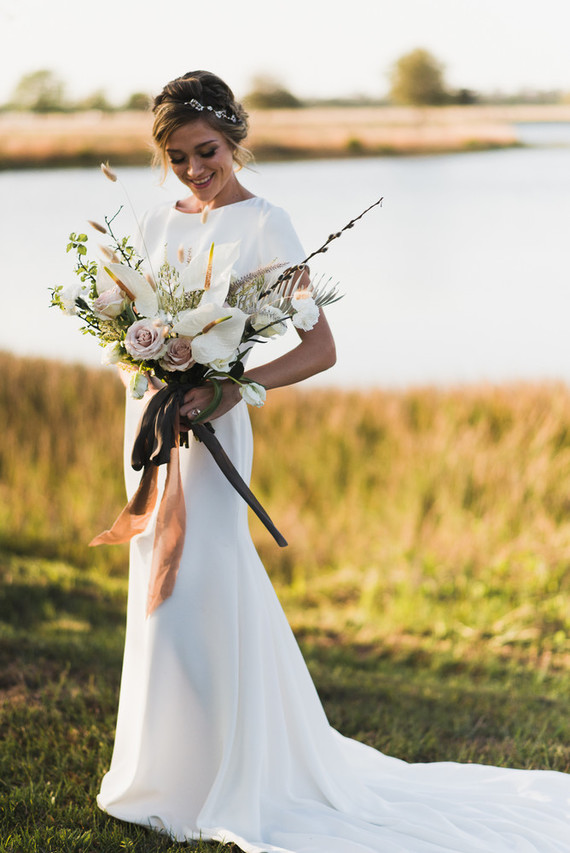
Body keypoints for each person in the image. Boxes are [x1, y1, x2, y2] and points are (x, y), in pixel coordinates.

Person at [97, 71, 570, 853]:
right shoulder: (153, 224)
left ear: (234, 139)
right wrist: (144, 372)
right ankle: (165, 773)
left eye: (205, 151)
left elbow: (319, 347)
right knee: (154, 587)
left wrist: (228, 388)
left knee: (205, 581)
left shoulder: (268, 224)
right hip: (149, 430)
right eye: (177, 156)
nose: (193, 169)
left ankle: (237, 773)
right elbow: (123, 339)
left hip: (215, 434)